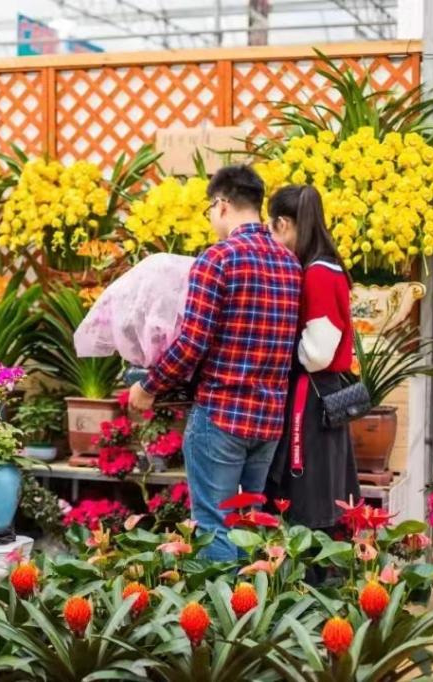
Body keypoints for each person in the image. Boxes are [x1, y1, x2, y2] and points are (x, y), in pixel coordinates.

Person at [128, 165, 302, 562]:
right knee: (248, 526)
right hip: (268, 420)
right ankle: (250, 601)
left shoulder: (218, 259)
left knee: (214, 527)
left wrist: (149, 386)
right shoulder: (290, 264)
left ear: (222, 204)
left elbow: (192, 342)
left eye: (210, 208)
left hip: (222, 415)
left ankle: (219, 604)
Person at [263, 184, 360, 532]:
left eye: (271, 228)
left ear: (283, 224)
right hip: (325, 395)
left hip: (312, 398)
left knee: (310, 498)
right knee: (326, 492)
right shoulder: (327, 266)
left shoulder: (318, 273)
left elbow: (317, 352)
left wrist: (279, 348)